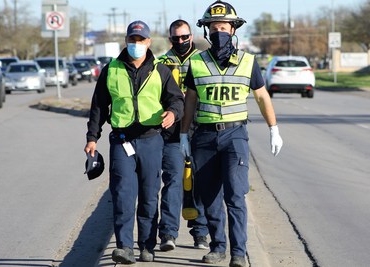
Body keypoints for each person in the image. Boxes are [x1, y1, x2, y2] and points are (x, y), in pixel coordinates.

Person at [179, 1, 283, 267]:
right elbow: (190, 100)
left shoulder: (249, 62)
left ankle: (238, 252)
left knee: (235, 196)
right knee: (210, 197)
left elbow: (262, 96)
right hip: (203, 136)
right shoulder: (197, 63)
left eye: (223, 27)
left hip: (235, 135)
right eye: (214, 27)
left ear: (233, 29)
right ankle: (218, 247)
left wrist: (274, 129)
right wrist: (183, 135)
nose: (218, 32)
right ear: (207, 31)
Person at [84, 20, 184, 264]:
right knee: (123, 194)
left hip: (151, 140)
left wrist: (172, 113)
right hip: (121, 141)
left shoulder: (160, 70)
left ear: (148, 42)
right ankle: (124, 246)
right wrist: (92, 137)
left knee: (150, 196)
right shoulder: (112, 69)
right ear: (126, 41)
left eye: (140, 40)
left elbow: (177, 100)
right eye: (132, 40)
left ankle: (147, 245)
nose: (136, 44)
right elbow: (99, 105)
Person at [157, 19, 209, 252]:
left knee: (199, 184)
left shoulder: (204, 60)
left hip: (200, 130)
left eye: (184, 37)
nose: (181, 41)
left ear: (192, 35)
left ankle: (200, 233)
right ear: (170, 39)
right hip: (172, 133)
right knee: (174, 181)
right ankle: (168, 233)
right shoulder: (160, 63)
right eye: (176, 38)